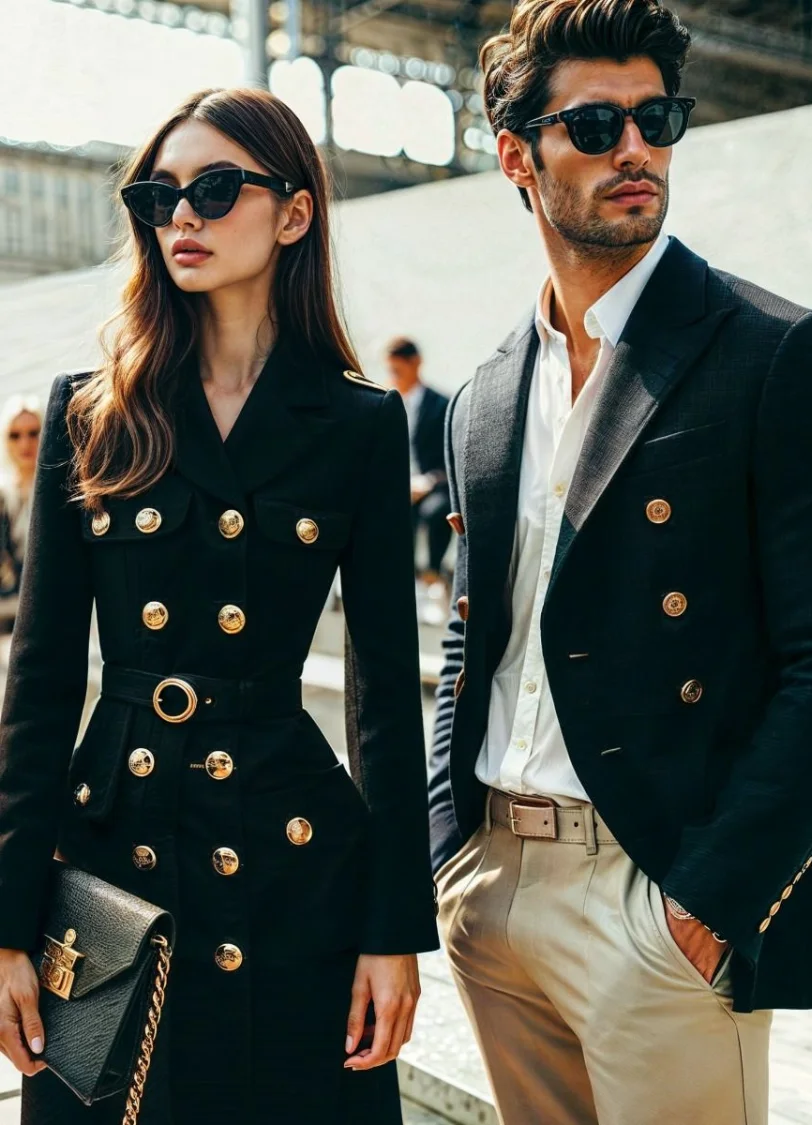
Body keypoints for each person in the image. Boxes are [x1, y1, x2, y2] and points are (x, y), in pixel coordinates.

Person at [427, 3, 812, 1124]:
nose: (634, 148)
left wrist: (706, 902)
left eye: (657, 117)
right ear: (517, 156)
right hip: (493, 887)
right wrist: (450, 849)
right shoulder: (489, 392)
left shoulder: (778, 353)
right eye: (594, 124)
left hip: (656, 891)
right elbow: (469, 636)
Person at [0, 87, 437, 1125]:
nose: (181, 217)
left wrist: (393, 930)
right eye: (160, 195)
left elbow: (384, 693)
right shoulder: (92, 410)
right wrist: (7, 921)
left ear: (294, 212)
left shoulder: (357, 425)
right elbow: (44, 680)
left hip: (296, 864)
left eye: (214, 188)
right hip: (116, 863)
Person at [384, 338, 452, 586]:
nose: (393, 376)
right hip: (395, 486)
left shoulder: (441, 405)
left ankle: (432, 576)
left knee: (437, 511)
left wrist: (429, 481)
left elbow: (450, 458)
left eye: (397, 370)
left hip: (431, 487)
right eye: (390, 371)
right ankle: (399, 579)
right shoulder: (384, 402)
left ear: (416, 364)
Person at [0, 395, 43, 625]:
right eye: (15, 435)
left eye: (33, 433)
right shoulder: (3, 495)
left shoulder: (61, 488)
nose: (25, 444)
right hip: (12, 612)